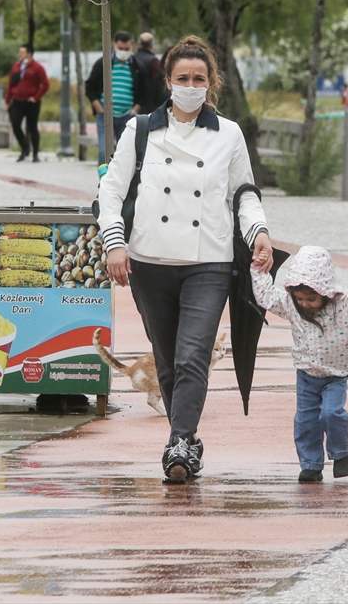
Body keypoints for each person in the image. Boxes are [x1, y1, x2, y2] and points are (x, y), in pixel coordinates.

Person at [97, 35, 272, 483]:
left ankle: (179, 441)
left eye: (199, 78)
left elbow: (244, 194)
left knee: (194, 355)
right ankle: (187, 439)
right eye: (183, 78)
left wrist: (259, 233)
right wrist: (114, 242)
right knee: (169, 359)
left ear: (210, 82)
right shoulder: (139, 130)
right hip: (149, 261)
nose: (191, 85)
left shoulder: (229, 133)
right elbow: (111, 191)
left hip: (208, 260)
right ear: (168, 80)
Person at [251, 246, 348, 483]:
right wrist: (259, 269)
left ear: (326, 292)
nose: (305, 304)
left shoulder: (345, 305)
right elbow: (266, 297)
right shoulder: (291, 305)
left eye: (311, 299)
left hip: (335, 376)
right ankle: (311, 464)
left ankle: (341, 454)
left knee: (331, 414)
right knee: (305, 421)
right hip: (306, 375)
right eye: (300, 298)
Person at [86, 30, 147, 159]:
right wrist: (99, 108)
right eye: (120, 48)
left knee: (124, 153)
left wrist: (135, 109)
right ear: (114, 45)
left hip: (127, 115)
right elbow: (90, 86)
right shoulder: (102, 63)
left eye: (127, 48)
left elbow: (144, 91)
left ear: (132, 47)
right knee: (104, 152)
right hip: (105, 114)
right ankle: (103, 178)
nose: (123, 51)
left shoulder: (137, 66)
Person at [4, 44, 49, 162]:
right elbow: (10, 84)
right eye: (20, 52)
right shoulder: (16, 67)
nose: (20, 54)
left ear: (29, 53)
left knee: (32, 127)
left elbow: (45, 84)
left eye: (22, 52)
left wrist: (36, 97)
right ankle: (25, 148)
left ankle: (35, 153)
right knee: (15, 123)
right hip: (17, 101)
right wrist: (8, 100)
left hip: (31, 102)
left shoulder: (37, 67)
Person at [135, 32, 167, 114]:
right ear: (152, 45)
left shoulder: (132, 60)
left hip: (131, 105)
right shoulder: (154, 63)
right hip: (148, 106)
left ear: (139, 43)